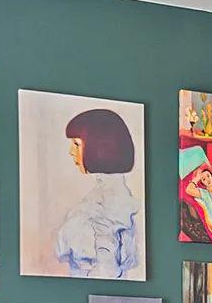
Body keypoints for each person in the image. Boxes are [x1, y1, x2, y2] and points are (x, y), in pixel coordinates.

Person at [51, 107, 143, 279]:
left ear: (100, 146)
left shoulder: (110, 199)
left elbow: (107, 269)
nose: (71, 151)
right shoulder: (102, 192)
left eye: (77, 144)